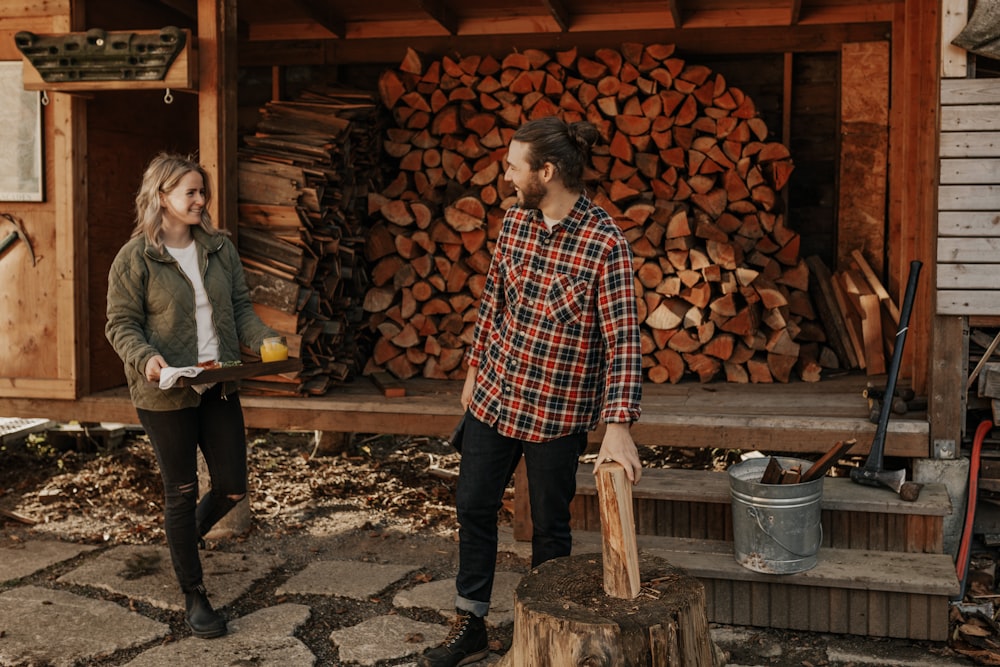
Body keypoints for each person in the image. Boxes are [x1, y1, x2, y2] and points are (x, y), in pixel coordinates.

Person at [420, 116, 644, 667]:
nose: (506, 176)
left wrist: (618, 426)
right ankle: (469, 623)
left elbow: (623, 340)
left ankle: (543, 631)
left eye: (514, 166)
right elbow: (494, 299)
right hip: (496, 396)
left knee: (550, 527)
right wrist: (475, 367)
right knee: (472, 505)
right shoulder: (516, 221)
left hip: (557, 411)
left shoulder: (605, 243)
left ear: (547, 171)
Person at [105, 152, 278, 639]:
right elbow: (121, 324)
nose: (201, 200)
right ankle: (194, 591)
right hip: (164, 392)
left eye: (203, 191)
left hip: (217, 385)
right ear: (162, 196)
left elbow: (241, 308)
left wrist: (263, 338)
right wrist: (146, 359)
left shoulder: (220, 249)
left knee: (232, 485)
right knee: (180, 492)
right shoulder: (134, 257)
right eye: (191, 192)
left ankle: (182, 542)